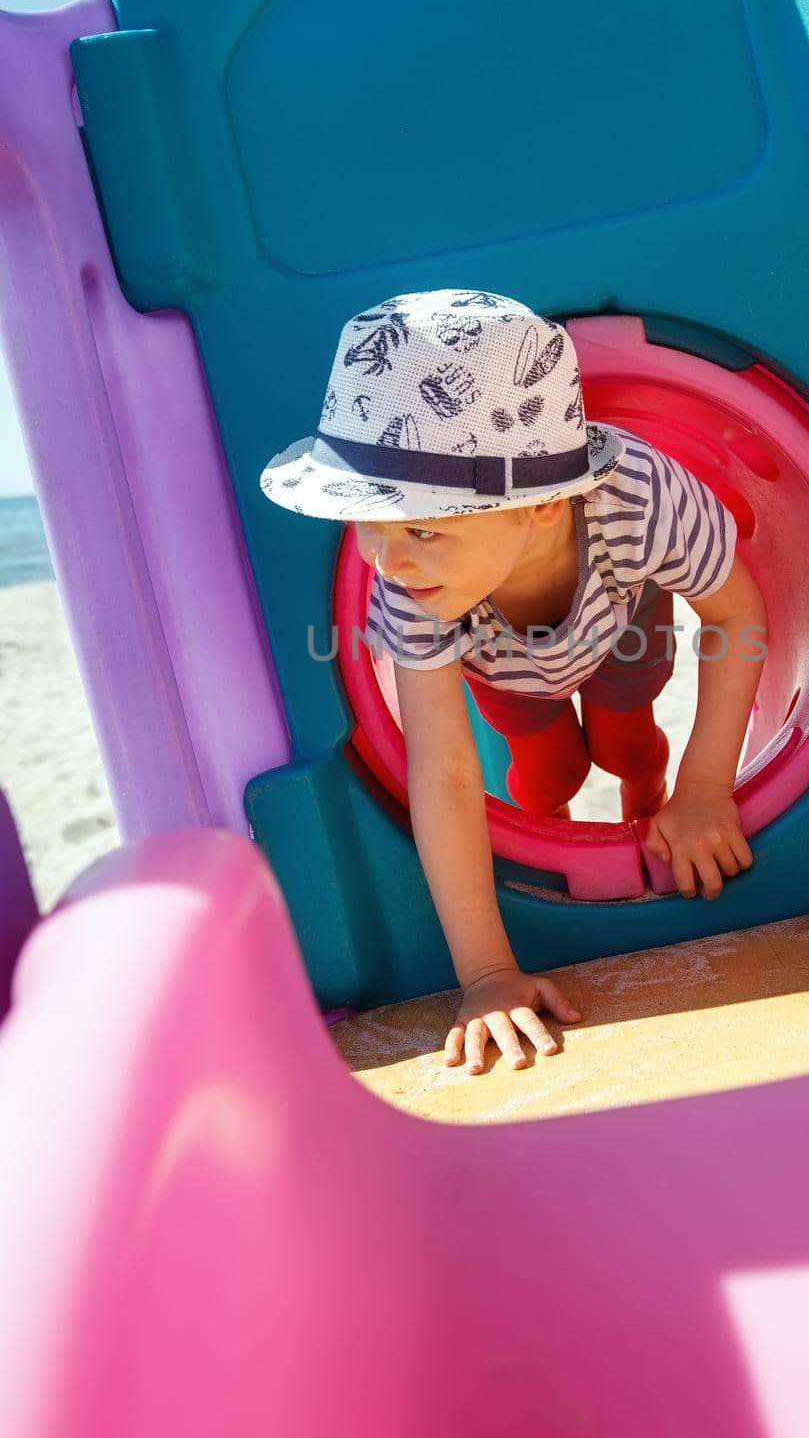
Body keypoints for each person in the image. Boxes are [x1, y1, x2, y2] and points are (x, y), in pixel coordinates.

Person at [260, 289, 767, 1075]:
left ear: (541, 506)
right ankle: (568, 839)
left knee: (631, 746)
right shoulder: (413, 580)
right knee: (549, 772)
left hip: (623, 625)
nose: (383, 560)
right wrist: (487, 974)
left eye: (422, 526)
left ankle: (654, 811)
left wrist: (706, 786)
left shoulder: (645, 497)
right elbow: (446, 773)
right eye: (367, 523)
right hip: (502, 662)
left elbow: (736, 615)